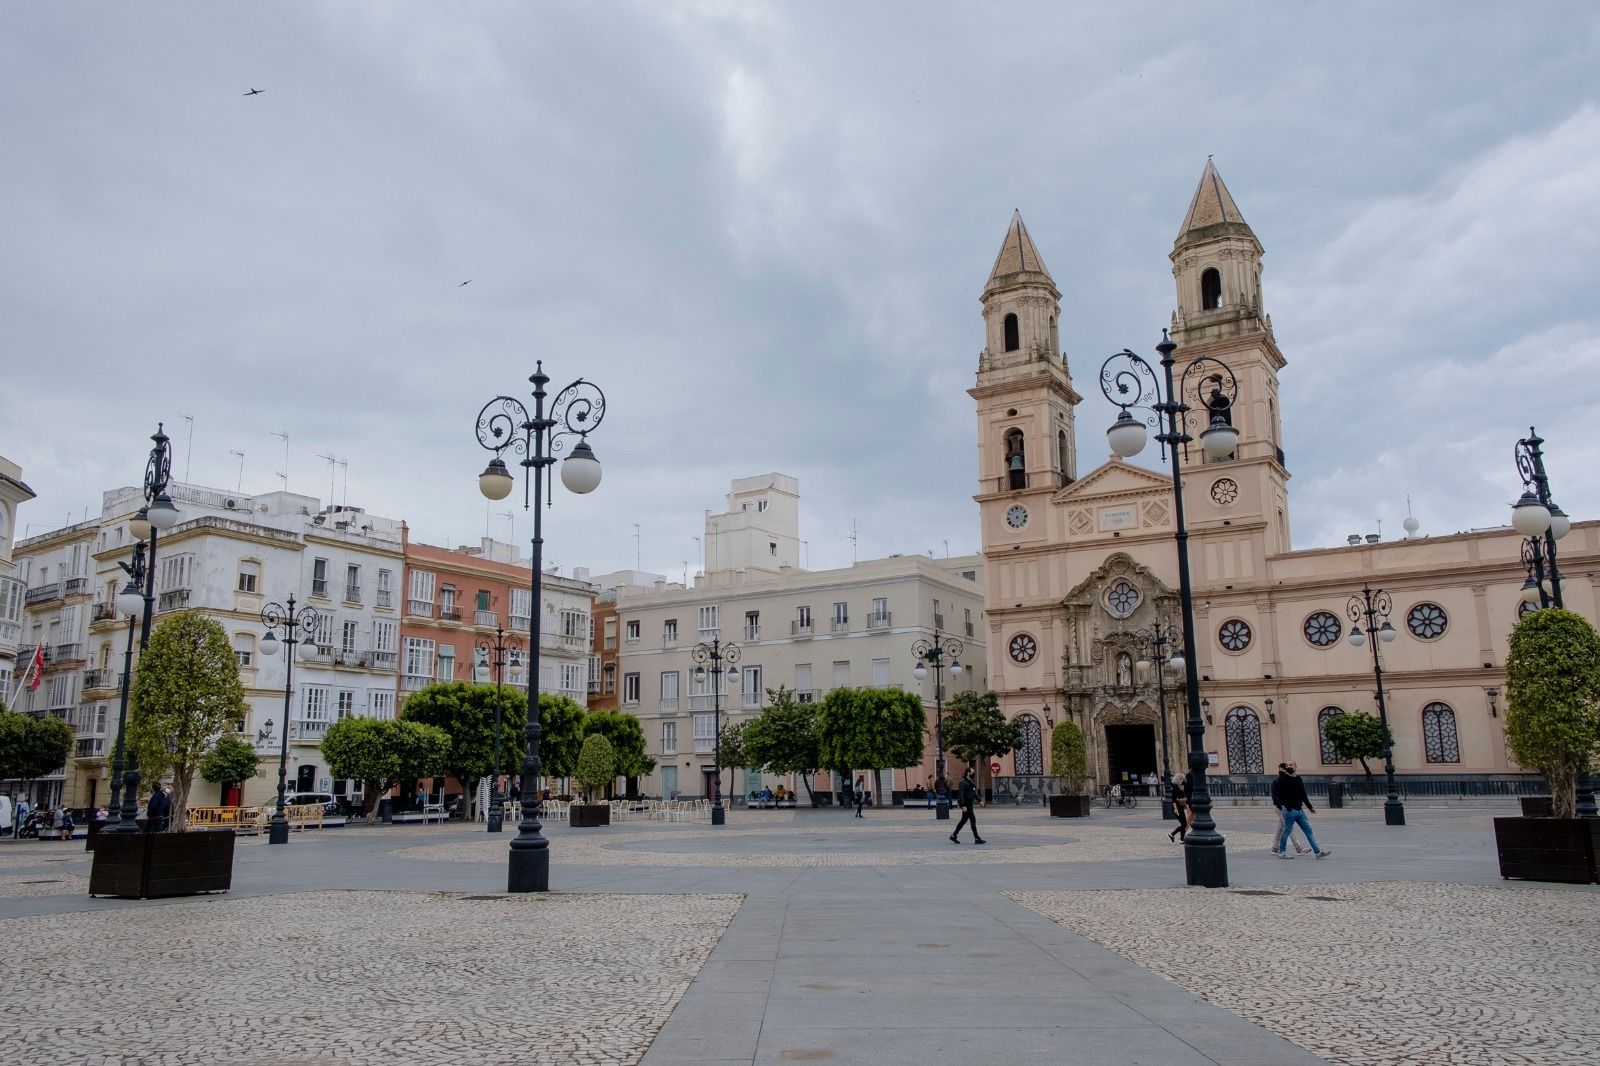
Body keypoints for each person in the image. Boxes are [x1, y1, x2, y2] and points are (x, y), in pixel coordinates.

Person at [1273, 762, 1330, 859]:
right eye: (1287, 765)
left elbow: (1303, 794)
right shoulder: (1282, 779)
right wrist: (1287, 806)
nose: (1289, 766)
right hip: (1289, 811)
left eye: (1291, 765)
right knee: (1286, 831)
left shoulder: (1298, 779)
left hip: (1299, 811)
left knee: (1309, 831)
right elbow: (1279, 794)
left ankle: (1317, 852)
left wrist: (1310, 807)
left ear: (1295, 767)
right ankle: (1282, 852)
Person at [1268, 762, 1309, 855]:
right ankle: (1299, 848)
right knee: (1289, 827)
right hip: (1281, 808)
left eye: (1283, 769)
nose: (1282, 771)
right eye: (1280, 769)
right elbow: (1275, 797)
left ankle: (1275, 847)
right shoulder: (1276, 782)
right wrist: (1283, 806)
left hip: (1286, 807)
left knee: (1280, 828)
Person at [950, 767, 985, 844]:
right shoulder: (963, 782)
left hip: (969, 803)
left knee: (963, 820)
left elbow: (974, 793)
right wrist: (963, 805)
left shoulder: (970, 782)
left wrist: (979, 800)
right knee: (972, 819)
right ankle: (977, 838)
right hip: (966, 804)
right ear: (968, 773)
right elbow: (960, 794)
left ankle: (954, 835)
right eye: (973, 772)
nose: (974, 773)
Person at [1168, 774, 1190, 843]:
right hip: (1177, 808)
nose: (1182, 781)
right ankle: (1175, 835)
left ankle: (1178, 837)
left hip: (1181, 807)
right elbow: (1174, 800)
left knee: (1184, 824)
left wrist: (1187, 808)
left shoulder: (1180, 787)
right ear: (1177, 780)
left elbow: (1184, 799)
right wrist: (1175, 809)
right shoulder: (1174, 788)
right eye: (1181, 779)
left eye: (1182, 779)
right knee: (1184, 824)